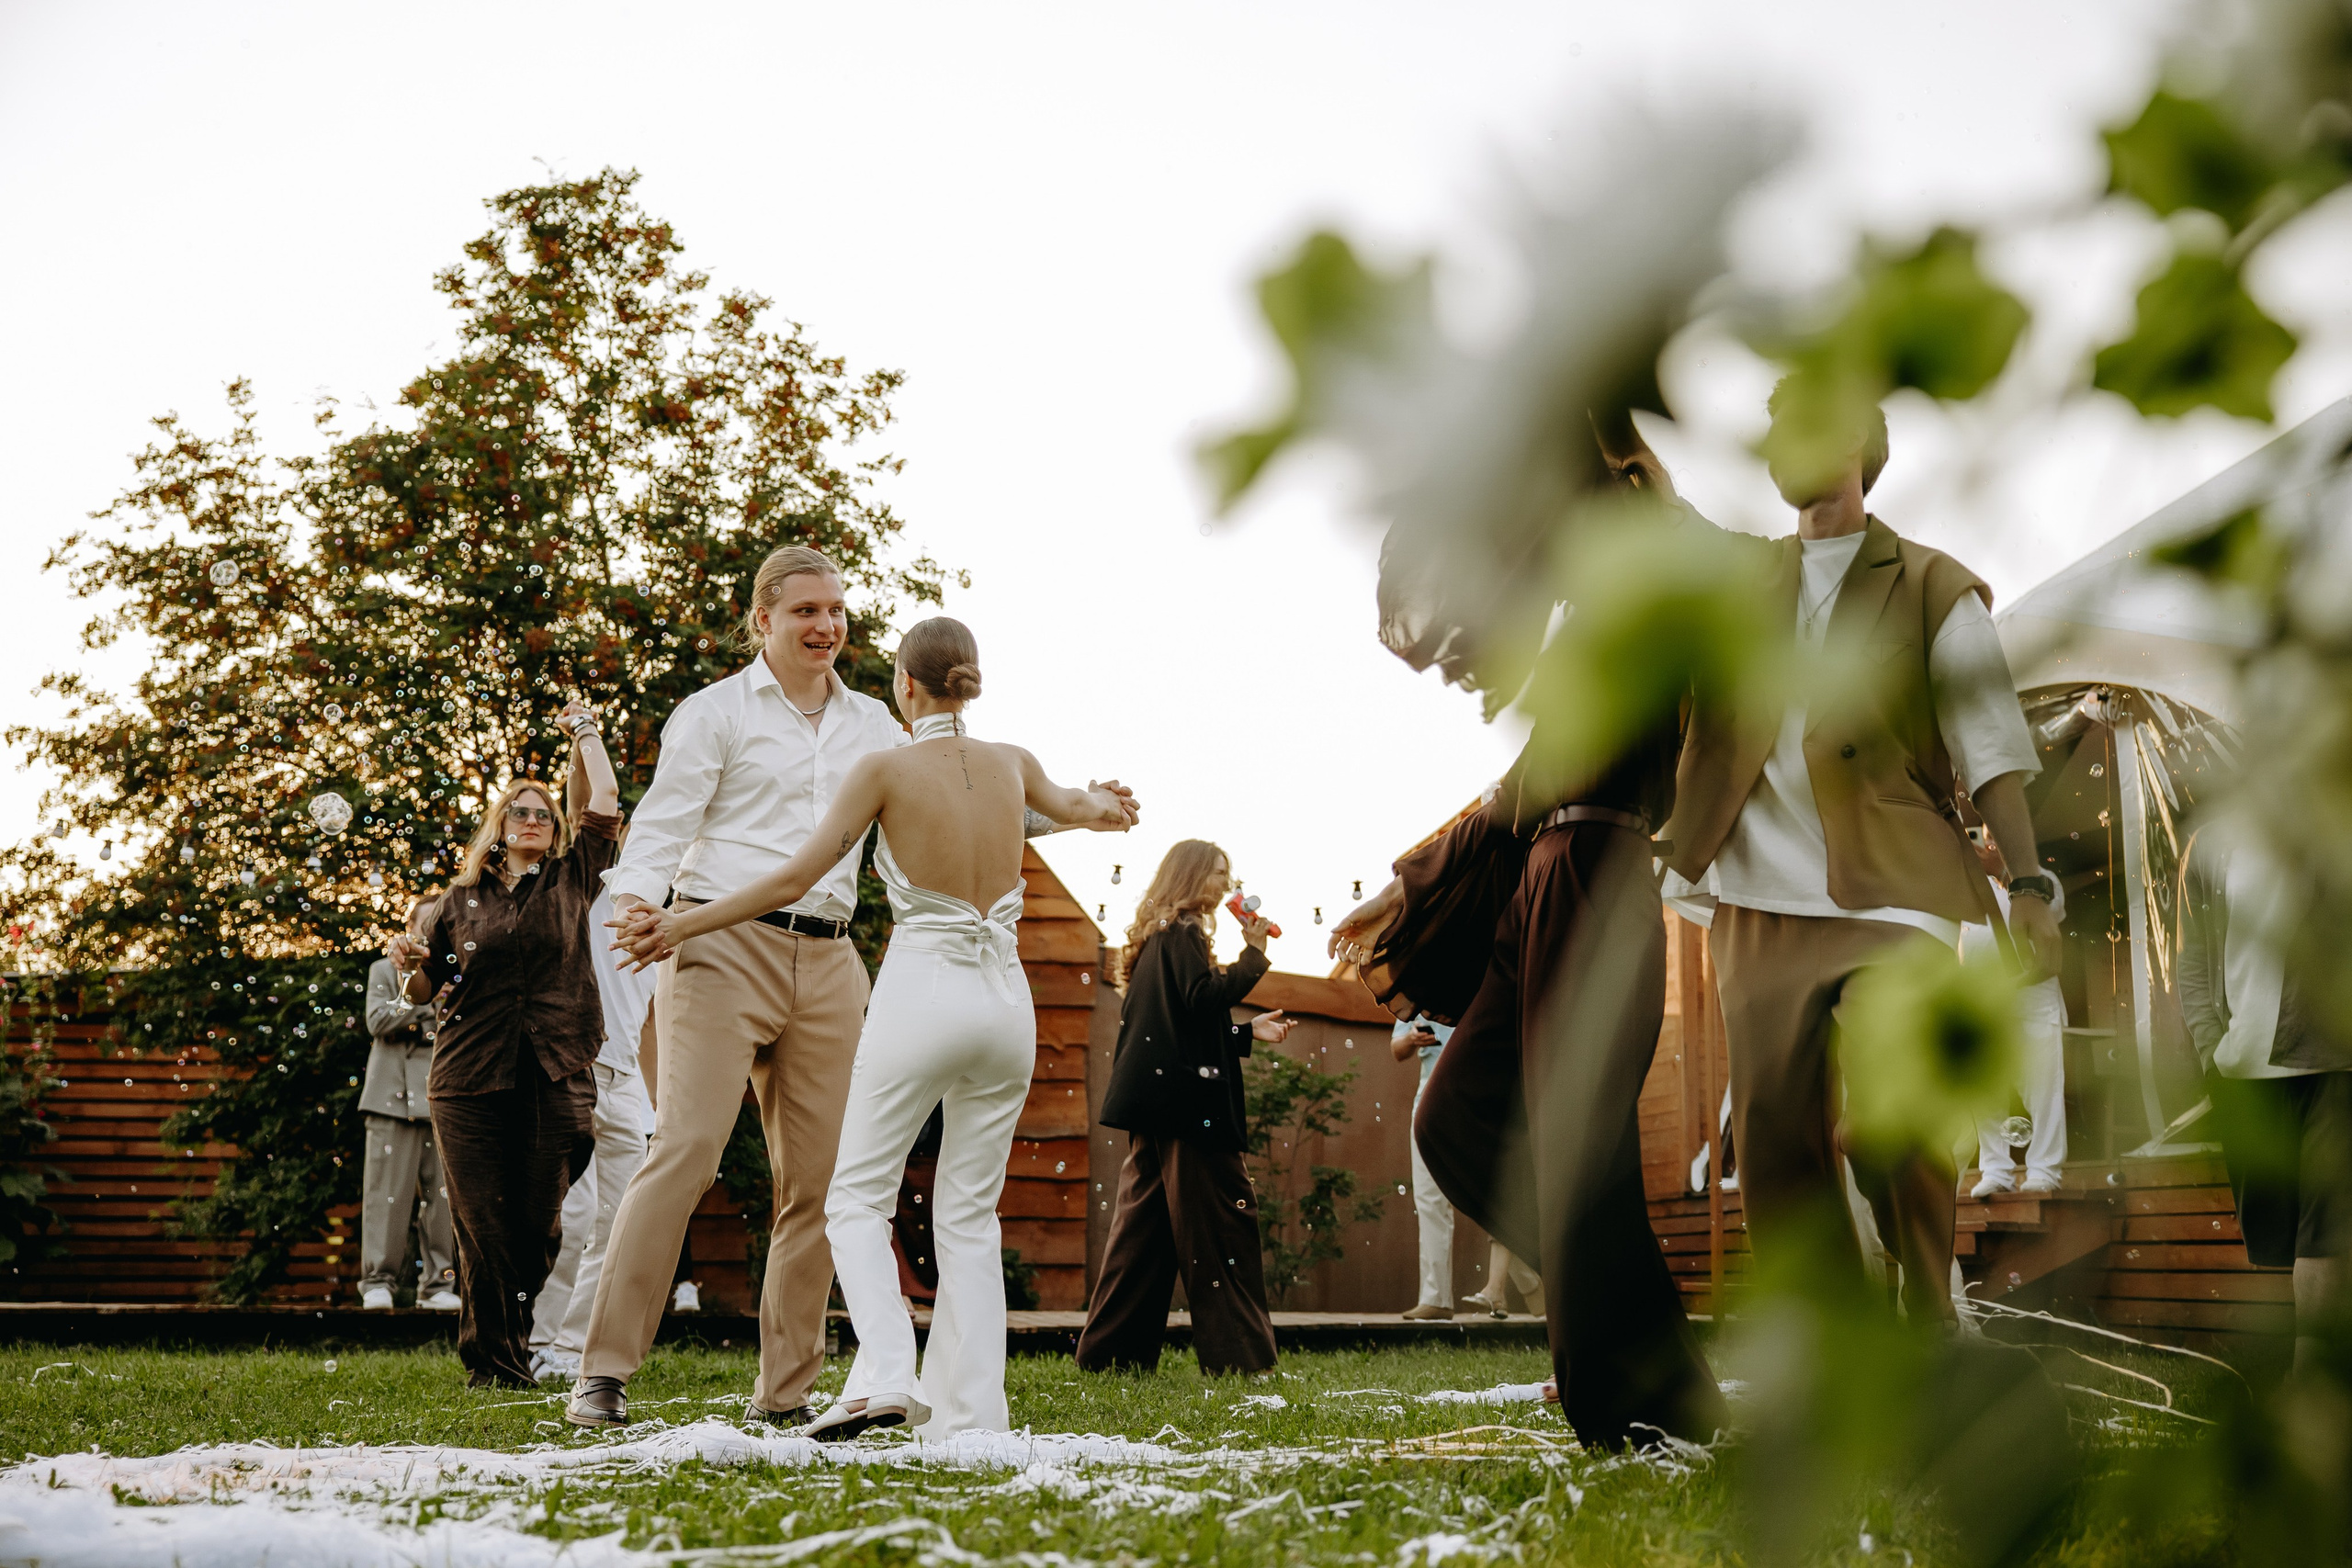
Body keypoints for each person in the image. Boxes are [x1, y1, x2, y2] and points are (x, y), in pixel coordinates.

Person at [609, 615, 1137, 1438]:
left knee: (853, 1198)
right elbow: (1065, 806)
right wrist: (1105, 806)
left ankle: (887, 1373)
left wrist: (684, 923)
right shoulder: (1012, 764)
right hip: (1008, 1008)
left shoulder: (883, 765)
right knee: (970, 1213)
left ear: (904, 684)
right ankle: (972, 1414)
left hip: (923, 996)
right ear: (972, 681)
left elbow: (793, 872)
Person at [1329, 428, 1719, 1450]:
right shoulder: (1584, 612)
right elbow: (1516, 791)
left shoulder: (1656, 583)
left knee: (1576, 1149)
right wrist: (1398, 895)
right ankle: (1651, 1359)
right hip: (1539, 882)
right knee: (1454, 1115)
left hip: (1600, 877)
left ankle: (1617, 1401)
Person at [1654, 384, 2056, 1327]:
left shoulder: (1931, 584)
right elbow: (1653, 508)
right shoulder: (1737, 576)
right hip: (1756, 896)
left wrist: (2032, 881)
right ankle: (1841, 1350)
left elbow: (1989, 743)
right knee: (1775, 1143)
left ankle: (1931, 1311)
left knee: (1893, 1116)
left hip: (1893, 892)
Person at [565, 546, 915, 1430]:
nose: (826, 626)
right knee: (684, 1151)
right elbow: (664, 823)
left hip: (833, 959)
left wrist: (1060, 808)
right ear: (762, 619)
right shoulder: (713, 712)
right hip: (718, 944)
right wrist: (639, 904)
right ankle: (602, 1372)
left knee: (823, 1183)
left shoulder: (875, 723)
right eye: (805, 611)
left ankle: (786, 1391)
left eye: (836, 610)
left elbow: (939, 802)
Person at [384, 699, 621, 1387]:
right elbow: (427, 991)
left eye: (544, 813)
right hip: (468, 1079)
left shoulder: (574, 879)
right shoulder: (454, 904)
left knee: (537, 1227)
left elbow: (603, 797)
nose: (534, 820)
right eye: (521, 810)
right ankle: (495, 1364)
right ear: (499, 826)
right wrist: (409, 961)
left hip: (558, 1071)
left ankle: (505, 1346)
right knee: (482, 1226)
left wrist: (585, 731)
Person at [1077, 840, 1294, 1379]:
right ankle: (1241, 1359)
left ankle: (1112, 1356)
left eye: (1228, 874)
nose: (1225, 883)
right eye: (1217, 873)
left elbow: (1181, 1022)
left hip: (1157, 1106)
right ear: (1191, 876)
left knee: (1143, 1237)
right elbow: (1201, 999)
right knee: (1222, 1223)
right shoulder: (1186, 932)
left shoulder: (1158, 937)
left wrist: (1244, 1032)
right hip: (1191, 1112)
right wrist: (1253, 953)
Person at [2179, 838, 2351, 1377]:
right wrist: (2211, 1052)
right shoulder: (2211, 843)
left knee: (2323, 1227)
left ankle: (2310, 1376)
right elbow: (2194, 959)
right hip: (2246, 1067)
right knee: (2281, 1236)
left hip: (2338, 1059)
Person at [527, 873, 660, 1381]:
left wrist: (657, 1105)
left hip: (625, 1087)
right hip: (575, 1072)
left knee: (622, 1223)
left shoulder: (663, 921)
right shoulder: (596, 888)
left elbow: (646, 1025)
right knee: (573, 1215)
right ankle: (536, 1339)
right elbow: (589, 802)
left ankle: (573, 1346)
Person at [357, 914, 458, 1313]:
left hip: (442, 1095)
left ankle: (437, 1285)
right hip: (389, 1099)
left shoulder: (459, 973)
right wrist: (428, 1003)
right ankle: (377, 1281)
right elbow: (377, 1020)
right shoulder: (383, 969)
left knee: (444, 1198)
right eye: (425, 921)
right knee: (386, 1195)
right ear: (412, 925)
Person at [1962, 829, 2068, 1197]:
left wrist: (2005, 872)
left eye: (1994, 833)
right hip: (1982, 1002)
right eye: (1979, 835)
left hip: (2032, 999)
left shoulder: (2041, 878)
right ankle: (1995, 1170)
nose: (1987, 841)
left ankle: (2044, 1170)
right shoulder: (1961, 883)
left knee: (2043, 1088)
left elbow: (2053, 909)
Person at [1390, 1014, 1458, 1320]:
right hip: (1430, 1099)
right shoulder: (1415, 990)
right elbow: (1397, 1049)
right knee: (1430, 1200)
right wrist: (1412, 1039)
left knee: (1499, 1191)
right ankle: (1436, 1297)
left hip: (1476, 1091)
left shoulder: (1480, 975)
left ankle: (1529, 1282)